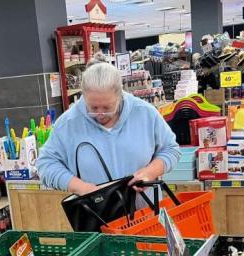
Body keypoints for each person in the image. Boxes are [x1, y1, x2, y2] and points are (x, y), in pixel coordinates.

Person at [37, 55, 180, 197]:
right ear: (83, 96)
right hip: (96, 216)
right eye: (92, 107)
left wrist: (150, 172)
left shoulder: (145, 114)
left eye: (107, 107)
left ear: (120, 95)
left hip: (146, 214)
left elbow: (170, 149)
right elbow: (46, 164)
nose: (100, 114)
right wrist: (81, 187)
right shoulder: (68, 124)